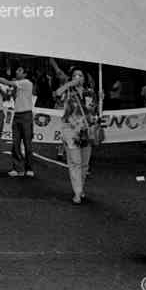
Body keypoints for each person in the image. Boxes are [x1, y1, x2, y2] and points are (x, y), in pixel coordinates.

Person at [57, 67, 100, 204]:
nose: (77, 77)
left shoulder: (90, 92)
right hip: (71, 131)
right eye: (75, 75)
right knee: (75, 162)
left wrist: (100, 100)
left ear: (84, 78)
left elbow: (94, 111)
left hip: (86, 131)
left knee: (85, 164)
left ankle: (80, 187)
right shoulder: (68, 91)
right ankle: (77, 191)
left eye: (80, 75)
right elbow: (57, 94)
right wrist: (69, 84)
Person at [0, 66, 35, 177]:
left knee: (27, 143)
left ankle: (29, 168)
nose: (16, 71)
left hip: (26, 115)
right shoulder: (16, 85)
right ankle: (17, 168)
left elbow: (7, 82)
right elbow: (9, 97)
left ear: (25, 74)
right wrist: (3, 90)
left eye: (20, 70)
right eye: (17, 70)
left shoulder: (27, 83)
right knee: (15, 143)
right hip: (17, 115)